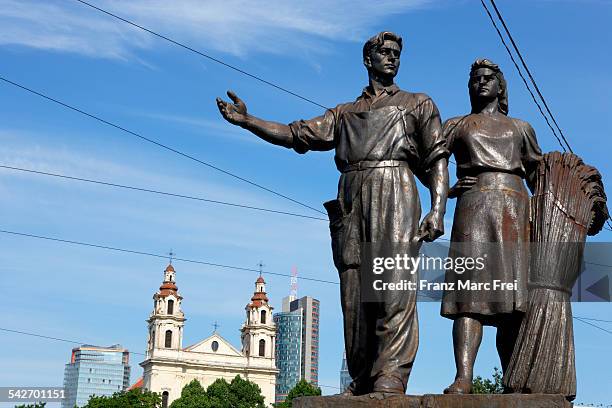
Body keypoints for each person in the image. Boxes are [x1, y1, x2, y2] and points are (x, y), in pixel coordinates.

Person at [216, 31, 449, 395]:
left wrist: (438, 208)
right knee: (354, 293)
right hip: (352, 197)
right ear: (367, 60)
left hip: (397, 191)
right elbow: (297, 134)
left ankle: (391, 374)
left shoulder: (417, 103)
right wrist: (249, 121)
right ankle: (362, 375)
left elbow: (436, 157)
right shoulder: (344, 114)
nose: (391, 58)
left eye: (396, 53)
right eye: (383, 52)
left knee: (394, 286)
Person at [440, 59, 542, 394]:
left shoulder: (521, 128)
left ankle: (511, 379)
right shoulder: (457, 124)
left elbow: (539, 176)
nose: (481, 83)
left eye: (488, 78)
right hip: (472, 210)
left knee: (512, 303)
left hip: (515, 209)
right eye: (475, 80)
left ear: (500, 86)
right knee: (467, 298)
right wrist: (447, 191)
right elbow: (428, 160)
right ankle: (463, 377)